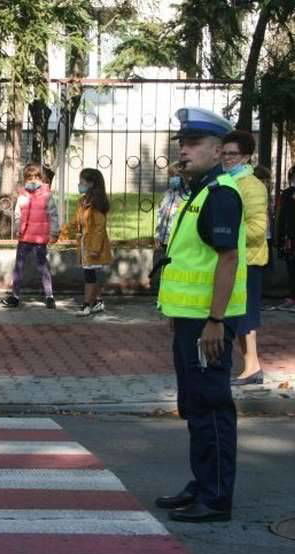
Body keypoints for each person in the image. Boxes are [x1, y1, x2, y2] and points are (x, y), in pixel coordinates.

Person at [154, 107, 246, 523]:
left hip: (209, 324)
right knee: (194, 404)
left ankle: (216, 497)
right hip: (191, 320)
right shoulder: (197, 194)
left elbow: (228, 260)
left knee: (211, 405)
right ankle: (203, 482)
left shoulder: (221, 195)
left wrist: (215, 320)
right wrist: (179, 314)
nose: (184, 150)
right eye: (182, 144)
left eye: (193, 144)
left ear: (217, 151)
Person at [220, 130, 268, 386]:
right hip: (233, 258)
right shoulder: (227, 181)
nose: (226, 158)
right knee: (238, 316)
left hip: (248, 260)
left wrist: (227, 233)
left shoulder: (252, 186)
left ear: (247, 157)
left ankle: (252, 367)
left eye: (233, 154)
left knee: (245, 317)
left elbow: (258, 228)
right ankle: (251, 366)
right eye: (224, 153)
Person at [1, 163, 59, 309]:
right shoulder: (22, 196)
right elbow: (17, 215)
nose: (33, 180)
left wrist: (54, 233)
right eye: (29, 178)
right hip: (25, 237)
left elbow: (53, 216)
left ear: (41, 178)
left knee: (43, 266)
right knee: (19, 267)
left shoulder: (47, 195)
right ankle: (15, 296)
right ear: (25, 179)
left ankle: (49, 296)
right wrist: (16, 228)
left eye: (36, 177)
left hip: (40, 238)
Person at [74, 168, 113, 316]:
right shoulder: (83, 201)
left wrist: (95, 247)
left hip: (93, 245)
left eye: (82, 182)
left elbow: (99, 228)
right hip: (85, 243)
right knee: (90, 274)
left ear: (91, 184)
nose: (79, 185)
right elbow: (76, 221)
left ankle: (86, 305)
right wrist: (63, 233)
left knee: (89, 275)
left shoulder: (96, 204)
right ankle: (97, 301)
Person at [156, 163, 189, 250]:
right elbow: (160, 215)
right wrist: (158, 236)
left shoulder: (187, 196)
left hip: (177, 242)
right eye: (171, 176)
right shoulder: (167, 195)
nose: (174, 179)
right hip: (163, 241)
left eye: (177, 175)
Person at [274, 167, 295, 309]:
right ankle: (292, 296)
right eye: (292, 176)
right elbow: (281, 217)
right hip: (290, 238)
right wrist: (280, 236)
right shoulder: (287, 194)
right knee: (291, 267)